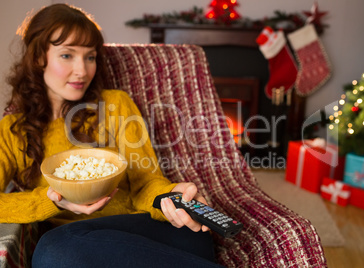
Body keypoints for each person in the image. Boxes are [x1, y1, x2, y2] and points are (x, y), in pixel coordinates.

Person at [0, 4, 223, 267]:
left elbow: (146, 184)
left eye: (90, 57)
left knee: (53, 252)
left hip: (151, 231)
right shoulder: (13, 130)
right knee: (55, 250)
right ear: (39, 57)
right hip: (79, 245)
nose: (82, 71)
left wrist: (173, 194)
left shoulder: (116, 105)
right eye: (67, 55)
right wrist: (52, 201)